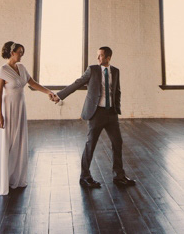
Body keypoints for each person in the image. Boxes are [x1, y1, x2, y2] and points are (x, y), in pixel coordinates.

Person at [0, 41, 59, 195]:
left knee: (19, 141)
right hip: (7, 109)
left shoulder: (21, 68)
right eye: (19, 52)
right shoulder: (2, 70)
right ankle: (0, 177)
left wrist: (49, 92)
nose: (22, 55)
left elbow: (32, 83)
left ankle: (15, 176)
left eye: (23, 52)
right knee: (7, 141)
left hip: (20, 109)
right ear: (11, 52)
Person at [54, 46, 136, 188]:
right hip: (96, 113)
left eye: (101, 56)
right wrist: (59, 95)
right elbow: (77, 83)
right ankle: (85, 177)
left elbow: (117, 91)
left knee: (117, 143)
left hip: (111, 113)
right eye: (97, 55)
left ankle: (119, 176)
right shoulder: (92, 70)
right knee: (91, 144)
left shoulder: (115, 71)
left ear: (108, 57)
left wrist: (117, 108)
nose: (98, 58)